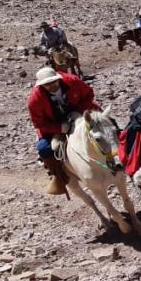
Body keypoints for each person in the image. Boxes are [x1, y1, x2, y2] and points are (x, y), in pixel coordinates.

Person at [28, 67, 100, 195]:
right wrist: (59, 128)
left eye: (53, 82)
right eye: (47, 84)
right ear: (41, 85)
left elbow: (89, 94)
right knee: (44, 149)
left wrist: (79, 110)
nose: (51, 86)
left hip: (79, 112)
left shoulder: (72, 80)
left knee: (107, 125)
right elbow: (38, 123)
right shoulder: (35, 99)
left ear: (58, 79)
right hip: (55, 123)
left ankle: (122, 156)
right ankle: (59, 176)